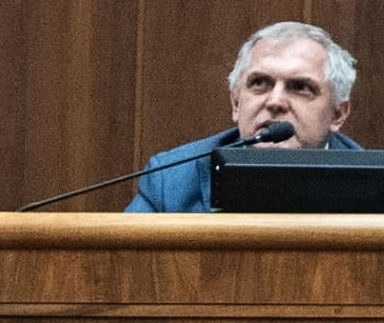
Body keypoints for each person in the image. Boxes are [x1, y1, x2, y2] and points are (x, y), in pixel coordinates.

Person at [127, 21, 371, 213]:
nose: (275, 102)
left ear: (338, 114)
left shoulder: (377, 188)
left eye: (300, 87)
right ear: (236, 103)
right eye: (260, 83)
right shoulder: (173, 180)